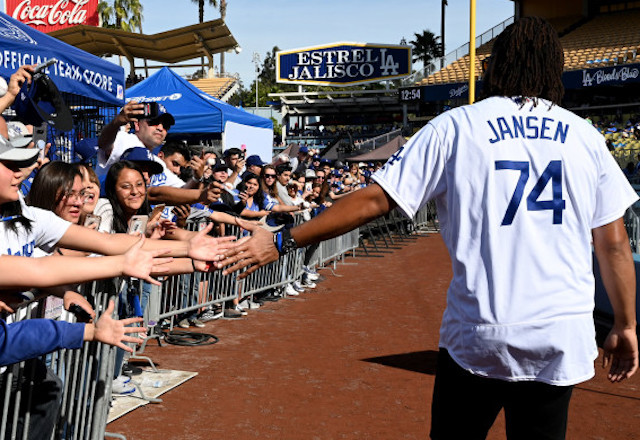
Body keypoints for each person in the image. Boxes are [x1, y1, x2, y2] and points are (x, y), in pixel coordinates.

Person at [220, 17, 638, 440]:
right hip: (559, 332)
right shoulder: (585, 137)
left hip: (481, 331)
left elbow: (374, 200)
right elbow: (615, 244)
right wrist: (625, 324)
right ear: (554, 70)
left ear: (496, 66)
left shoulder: (458, 125)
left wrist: (284, 239)